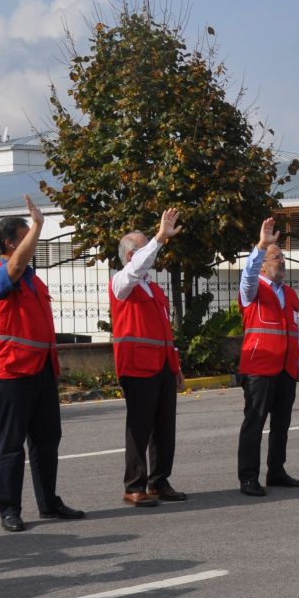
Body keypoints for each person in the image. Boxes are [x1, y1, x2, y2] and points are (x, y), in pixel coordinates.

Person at [0, 195, 84, 532]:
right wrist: (38, 224)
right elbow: (14, 268)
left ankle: (49, 503)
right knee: (11, 446)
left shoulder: (33, 280)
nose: (34, 242)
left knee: (46, 440)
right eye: (27, 236)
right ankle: (9, 510)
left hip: (40, 370)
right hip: (10, 373)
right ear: (10, 244)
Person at [110, 208, 187, 508]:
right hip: (137, 367)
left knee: (165, 428)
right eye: (144, 249)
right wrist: (157, 237)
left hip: (161, 366)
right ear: (132, 256)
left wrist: (175, 366)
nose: (152, 254)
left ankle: (159, 481)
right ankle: (134, 486)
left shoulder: (153, 288)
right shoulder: (122, 282)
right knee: (139, 428)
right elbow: (135, 268)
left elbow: (166, 332)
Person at [237, 216, 299, 496]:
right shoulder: (253, 290)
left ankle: (276, 471)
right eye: (276, 257)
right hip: (259, 366)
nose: (282, 261)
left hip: (286, 368)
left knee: (282, 424)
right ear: (264, 264)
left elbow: (296, 330)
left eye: (282, 256)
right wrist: (261, 245)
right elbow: (247, 276)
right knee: (254, 423)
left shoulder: (289, 293)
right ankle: (248, 477)